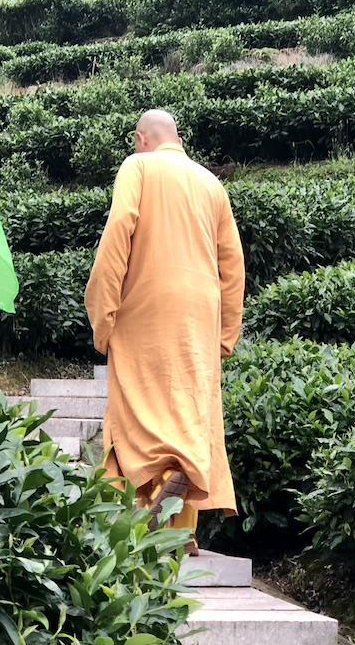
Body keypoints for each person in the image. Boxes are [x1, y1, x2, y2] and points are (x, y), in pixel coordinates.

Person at [84, 109, 245, 554]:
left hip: (145, 307)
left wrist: (103, 311)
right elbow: (232, 265)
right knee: (187, 412)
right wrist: (225, 333)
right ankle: (180, 529)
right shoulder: (212, 184)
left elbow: (118, 232)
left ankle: (142, 513)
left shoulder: (137, 166)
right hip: (199, 316)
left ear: (142, 139)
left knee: (137, 411)